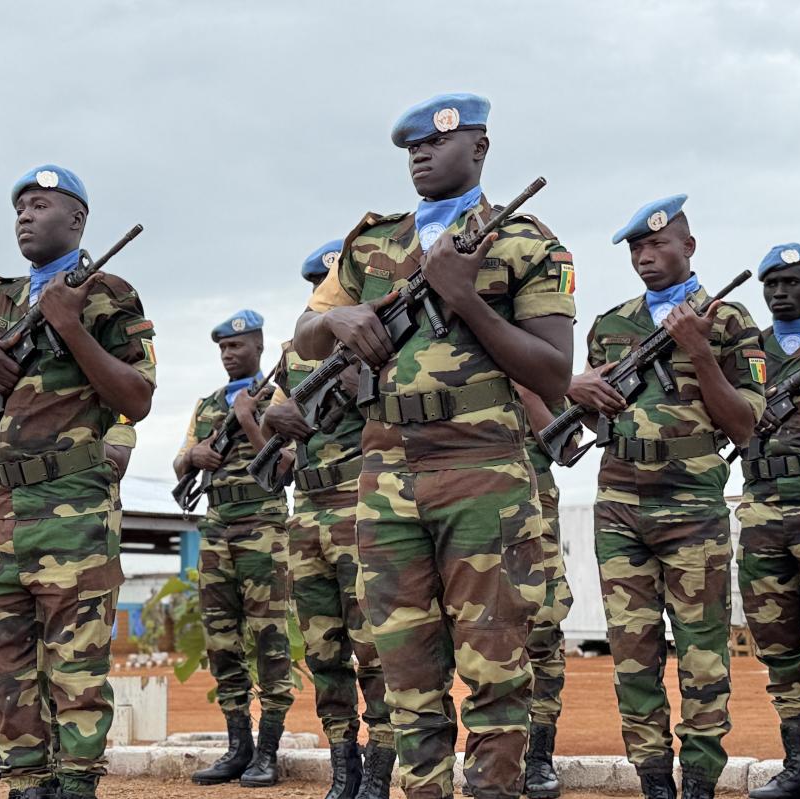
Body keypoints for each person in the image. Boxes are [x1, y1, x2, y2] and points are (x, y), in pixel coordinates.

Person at [293, 93, 576, 799]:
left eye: (438, 142)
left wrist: (468, 298)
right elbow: (305, 333)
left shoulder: (527, 244)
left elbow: (552, 373)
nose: (421, 154)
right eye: (413, 146)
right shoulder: (370, 245)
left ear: (479, 148)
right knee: (406, 673)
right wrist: (342, 319)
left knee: (495, 669)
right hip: (385, 476)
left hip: (483, 472)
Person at [0, 164, 156, 799]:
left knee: (76, 667)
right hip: (2, 507)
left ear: (77, 220)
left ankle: (76, 784)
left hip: (74, 503)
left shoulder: (109, 293)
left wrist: (72, 327)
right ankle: (26, 782)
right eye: (20, 208)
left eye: (40, 205)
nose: (25, 216)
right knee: (7, 664)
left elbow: (136, 398)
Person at [568, 195, 763, 799]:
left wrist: (699, 350)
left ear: (689, 247)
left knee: (702, 655)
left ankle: (699, 782)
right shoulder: (611, 326)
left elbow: (746, 425)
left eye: (657, 245)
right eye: (636, 249)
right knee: (633, 655)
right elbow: (593, 417)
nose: (645, 257)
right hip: (618, 505)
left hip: (691, 508)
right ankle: (653, 780)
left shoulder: (728, 321)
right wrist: (581, 394)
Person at [259, 242, 393, 799]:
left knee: (375, 647)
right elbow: (271, 428)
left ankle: (379, 768)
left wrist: (366, 390)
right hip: (308, 514)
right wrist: (275, 418)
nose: (327, 294)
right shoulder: (295, 355)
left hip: (361, 505)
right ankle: (343, 765)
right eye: (321, 286)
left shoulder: (380, 342)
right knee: (323, 648)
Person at [0, 420, 138, 784]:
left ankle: (71, 775)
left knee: (73, 669)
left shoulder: (95, 406)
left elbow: (117, 459)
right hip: (5, 536)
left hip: (74, 532)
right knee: (15, 672)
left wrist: (49, 448)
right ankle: (28, 771)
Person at [735, 243, 800, 799]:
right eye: (771, 284)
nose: (780, 292)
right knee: (776, 642)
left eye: (791, 282)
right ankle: (799, 765)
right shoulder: (747, 351)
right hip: (761, 510)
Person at [174, 308, 295, 788]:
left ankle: (268, 751)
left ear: (259, 347)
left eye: (237, 346)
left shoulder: (279, 397)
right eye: (223, 347)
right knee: (221, 641)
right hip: (217, 528)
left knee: (269, 639)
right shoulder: (206, 405)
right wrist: (194, 456)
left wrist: (248, 420)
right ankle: (238, 747)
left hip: (262, 527)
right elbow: (180, 461)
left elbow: (285, 466)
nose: (228, 354)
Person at [512, 383, 574, 799]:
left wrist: (525, 389)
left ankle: (538, 755)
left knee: (543, 632)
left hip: (533, 507)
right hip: (462, 505)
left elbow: (566, 447)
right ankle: (495, 755)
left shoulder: (537, 363)